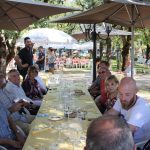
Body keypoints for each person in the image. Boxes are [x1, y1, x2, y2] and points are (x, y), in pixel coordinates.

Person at [106, 77, 150, 143]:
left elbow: (125, 134)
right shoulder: (121, 99)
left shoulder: (141, 108)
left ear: (135, 92)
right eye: (120, 94)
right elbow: (110, 114)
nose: (123, 98)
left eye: (127, 94)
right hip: (123, 136)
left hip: (137, 144)